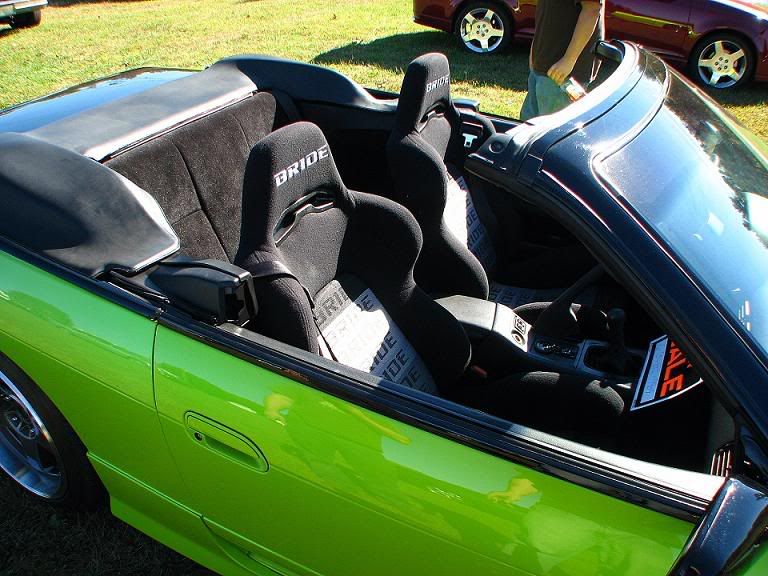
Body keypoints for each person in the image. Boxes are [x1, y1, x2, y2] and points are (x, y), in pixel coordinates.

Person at [520, 0, 604, 121]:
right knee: (528, 125)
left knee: (551, 128)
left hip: (563, 73)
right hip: (543, 64)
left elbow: (591, 10)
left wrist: (569, 60)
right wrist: (535, 49)